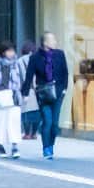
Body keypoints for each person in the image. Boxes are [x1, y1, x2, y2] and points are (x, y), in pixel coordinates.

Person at [23, 31, 70, 159]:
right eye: (52, 40)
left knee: (55, 124)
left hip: (58, 93)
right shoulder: (35, 58)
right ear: (45, 43)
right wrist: (25, 93)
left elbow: (65, 73)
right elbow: (29, 76)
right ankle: (46, 148)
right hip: (43, 94)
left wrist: (64, 89)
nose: (55, 42)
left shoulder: (60, 54)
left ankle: (51, 145)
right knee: (47, 121)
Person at [0, 40, 24, 158]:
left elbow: (20, 80)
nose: (11, 53)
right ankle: (0, 146)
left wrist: (21, 94)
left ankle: (14, 147)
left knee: (13, 122)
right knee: (0, 122)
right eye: (9, 51)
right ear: (3, 52)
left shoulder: (16, 63)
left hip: (13, 96)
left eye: (12, 50)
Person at [19, 42, 41, 140]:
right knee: (36, 112)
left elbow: (18, 76)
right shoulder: (37, 59)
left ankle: (27, 133)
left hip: (25, 89)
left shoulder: (20, 61)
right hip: (36, 89)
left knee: (25, 112)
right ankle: (34, 133)